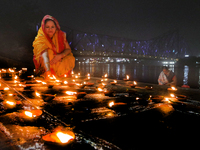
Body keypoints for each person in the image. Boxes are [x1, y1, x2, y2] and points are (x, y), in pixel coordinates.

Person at [33, 15, 75, 80]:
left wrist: (60, 55)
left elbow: (68, 49)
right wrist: (48, 70)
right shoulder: (41, 38)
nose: (50, 29)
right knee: (49, 53)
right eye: (47, 27)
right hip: (47, 63)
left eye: (52, 27)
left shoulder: (60, 35)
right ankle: (48, 74)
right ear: (43, 28)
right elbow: (45, 55)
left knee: (69, 57)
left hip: (59, 60)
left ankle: (61, 74)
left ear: (56, 28)